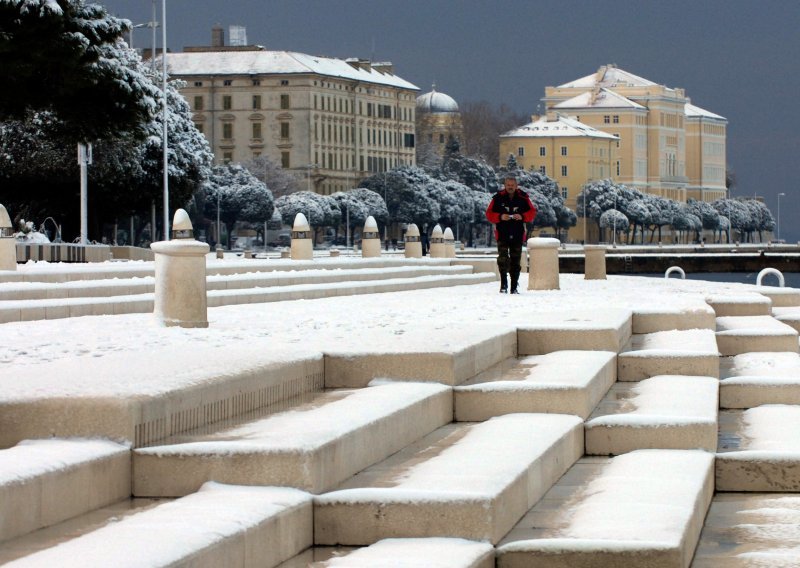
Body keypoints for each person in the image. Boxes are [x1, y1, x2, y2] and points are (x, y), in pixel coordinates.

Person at [485, 174, 537, 293]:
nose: (510, 187)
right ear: (504, 185)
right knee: (502, 259)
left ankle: (514, 286)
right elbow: (489, 214)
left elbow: (532, 212)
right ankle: (503, 285)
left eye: (512, 185)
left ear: (516, 186)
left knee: (516, 261)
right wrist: (500, 216)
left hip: (517, 234)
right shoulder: (498, 198)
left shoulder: (523, 198)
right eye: (508, 185)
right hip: (502, 233)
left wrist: (522, 216)